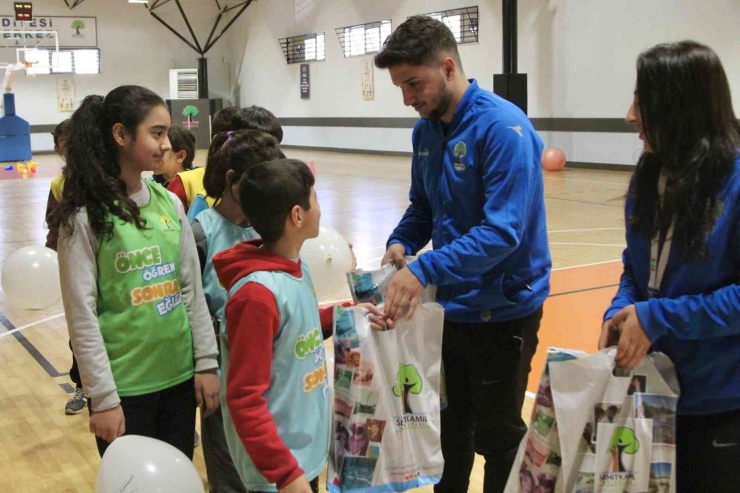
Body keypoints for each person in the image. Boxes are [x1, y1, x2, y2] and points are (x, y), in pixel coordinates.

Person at [373, 16, 551, 493]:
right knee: (449, 430)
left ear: (448, 67)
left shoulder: (503, 128)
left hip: (504, 313)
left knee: (497, 435)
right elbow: (424, 206)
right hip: (450, 312)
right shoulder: (426, 133)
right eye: (400, 87)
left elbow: (502, 233)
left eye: (415, 83)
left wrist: (426, 266)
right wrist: (403, 242)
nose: (408, 97)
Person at [598, 41, 740, 493]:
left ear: (680, 107)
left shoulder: (734, 180)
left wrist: (656, 317)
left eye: (642, 101)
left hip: (718, 403)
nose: (630, 115)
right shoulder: (650, 174)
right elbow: (636, 269)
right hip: (651, 396)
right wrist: (621, 313)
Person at [52, 85, 220, 458]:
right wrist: (103, 397)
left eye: (166, 133)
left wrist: (206, 363)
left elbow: (191, 291)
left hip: (179, 381)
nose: (165, 144)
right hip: (125, 390)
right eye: (156, 133)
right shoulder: (83, 217)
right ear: (121, 135)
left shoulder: (170, 202)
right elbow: (82, 315)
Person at [213, 159, 385, 493]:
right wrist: (285, 474)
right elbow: (245, 398)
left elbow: (298, 327)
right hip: (276, 470)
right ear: (297, 215)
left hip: (302, 454)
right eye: (315, 199)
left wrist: (349, 311)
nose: (320, 208)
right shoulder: (256, 296)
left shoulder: (294, 267)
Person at [192, 129, 285, 493]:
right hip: (225, 375)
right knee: (229, 469)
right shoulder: (200, 234)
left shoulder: (268, 228)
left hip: (271, 373)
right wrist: (207, 367)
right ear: (232, 182)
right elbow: (193, 307)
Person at [42, 118, 89, 415]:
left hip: (114, 266)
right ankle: (82, 385)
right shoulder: (59, 185)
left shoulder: (112, 178)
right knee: (80, 330)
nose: (64, 149)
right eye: (61, 144)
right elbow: (53, 226)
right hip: (75, 269)